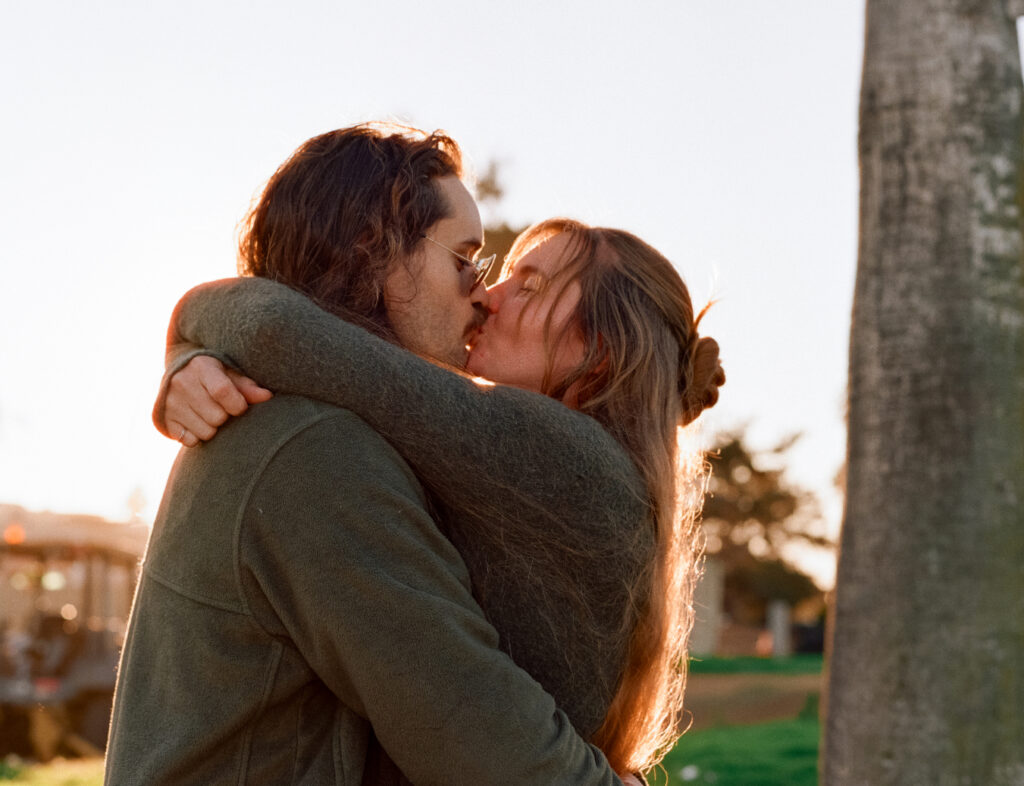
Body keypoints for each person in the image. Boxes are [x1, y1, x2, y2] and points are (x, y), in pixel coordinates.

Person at [106, 123, 641, 786]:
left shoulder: (308, 423)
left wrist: (194, 337)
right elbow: (482, 741)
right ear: (375, 251)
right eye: (462, 259)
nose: (481, 291)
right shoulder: (317, 453)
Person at [158, 220, 724, 771]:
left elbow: (275, 334)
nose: (488, 297)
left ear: (600, 353)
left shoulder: (569, 459)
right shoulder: (551, 475)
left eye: (529, 286)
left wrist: (187, 326)